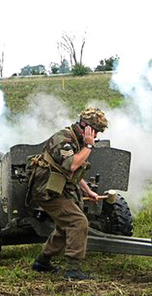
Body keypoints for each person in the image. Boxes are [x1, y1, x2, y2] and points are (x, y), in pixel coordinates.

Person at [26, 107, 108, 280]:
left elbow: (74, 173)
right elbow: (72, 165)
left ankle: (42, 262)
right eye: (96, 131)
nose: (96, 136)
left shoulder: (77, 140)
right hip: (46, 190)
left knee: (66, 225)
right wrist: (88, 145)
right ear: (86, 127)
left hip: (60, 187)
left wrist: (88, 191)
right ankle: (73, 269)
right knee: (78, 222)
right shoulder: (63, 140)